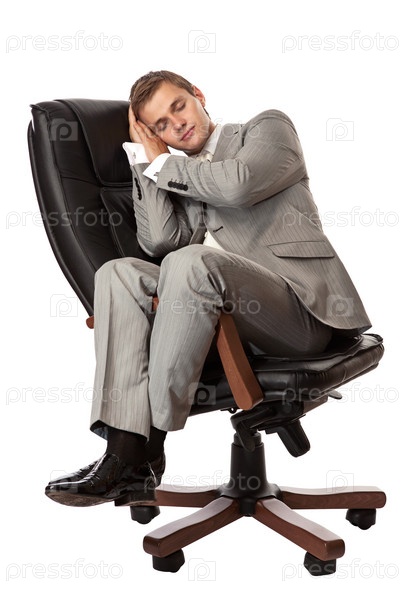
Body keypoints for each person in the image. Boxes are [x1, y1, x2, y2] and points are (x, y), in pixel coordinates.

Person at [46, 70, 371, 507]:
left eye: (178, 106)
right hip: (220, 322)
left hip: (301, 313)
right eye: (161, 125)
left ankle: (148, 443)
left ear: (198, 95)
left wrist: (164, 163)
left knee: (191, 260)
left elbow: (238, 186)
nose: (176, 124)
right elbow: (161, 241)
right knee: (118, 273)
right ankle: (124, 453)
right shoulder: (177, 175)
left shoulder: (265, 130)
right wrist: (145, 163)